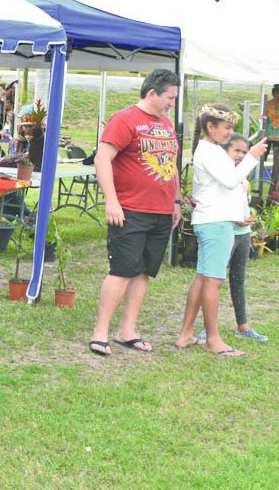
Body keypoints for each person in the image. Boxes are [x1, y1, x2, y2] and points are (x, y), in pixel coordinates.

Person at [88, 69, 181, 357]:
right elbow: (102, 159)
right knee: (122, 270)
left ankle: (127, 330)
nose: (171, 104)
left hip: (161, 211)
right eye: (169, 97)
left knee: (143, 271)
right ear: (152, 93)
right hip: (130, 210)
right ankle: (100, 332)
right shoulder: (125, 119)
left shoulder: (166, 124)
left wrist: (176, 201)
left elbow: (172, 163)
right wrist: (111, 201)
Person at [175, 107, 267, 356]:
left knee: (204, 278)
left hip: (215, 220)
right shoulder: (210, 152)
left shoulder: (211, 151)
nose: (230, 132)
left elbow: (228, 185)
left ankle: (185, 335)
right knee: (214, 281)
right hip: (216, 223)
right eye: (226, 127)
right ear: (210, 127)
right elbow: (230, 181)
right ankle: (213, 340)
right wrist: (253, 156)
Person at [194, 134, 267, 344]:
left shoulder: (241, 175)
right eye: (236, 151)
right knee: (211, 280)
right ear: (224, 152)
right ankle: (206, 328)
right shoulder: (222, 172)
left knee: (238, 279)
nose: (240, 156)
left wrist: (245, 219)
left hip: (242, 232)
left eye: (245, 152)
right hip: (222, 230)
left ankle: (243, 326)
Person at [264, 84, 279, 200]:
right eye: (277, 93)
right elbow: (263, 118)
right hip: (268, 136)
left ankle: (273, 190)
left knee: (277, 164)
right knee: (261, 158)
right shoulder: (268, 104)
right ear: (274, 93)